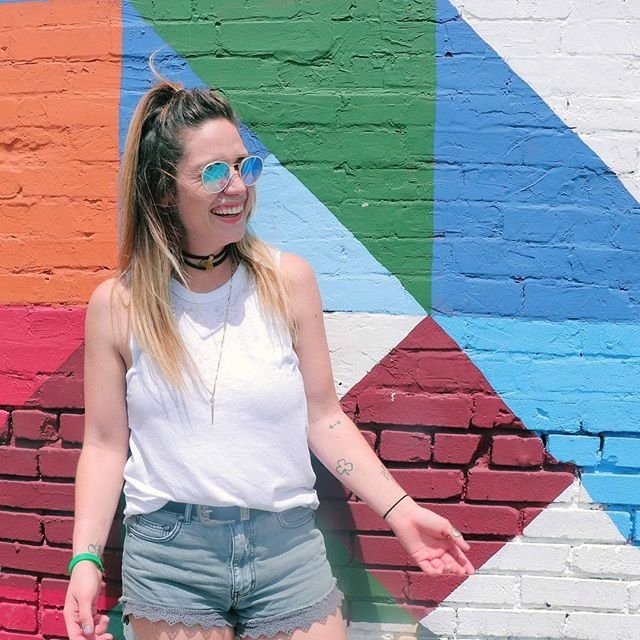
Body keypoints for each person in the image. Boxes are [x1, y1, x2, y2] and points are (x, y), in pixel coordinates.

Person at [63, 76, 474, 640]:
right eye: (214, 172)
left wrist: (401, 511)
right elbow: (105, 446)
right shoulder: (119, 304)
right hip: (172, 558)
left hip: (289, 550)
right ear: (163, 192)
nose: (237, 186)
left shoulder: (288, 281)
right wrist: (85, 559)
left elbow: (323, 417)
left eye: (244, 165)